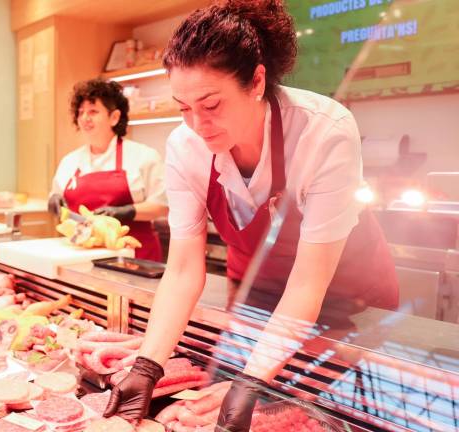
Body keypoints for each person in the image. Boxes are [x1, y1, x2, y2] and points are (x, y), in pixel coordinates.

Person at [103, 1, 399, 430]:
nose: (197, 125)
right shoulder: (185, 147)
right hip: (259, 298)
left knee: (336, 416)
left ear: (256, 81)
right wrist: (148, 365)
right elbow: (184, 269)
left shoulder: (323, 131)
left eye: (211, 104)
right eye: (183, 107)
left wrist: (252, 379)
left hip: (348, 302)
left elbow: (308, 282)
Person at [49, 79, 168, 261]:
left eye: (93, 111)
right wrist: (53, 200)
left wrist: (126, 211)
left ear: (114, 117)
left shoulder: (144, 156)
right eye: (80, 112)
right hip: (82, 257)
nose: (85, 118)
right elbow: (56, 196)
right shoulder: (69, 161)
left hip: (135, 256)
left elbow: (162, 206)